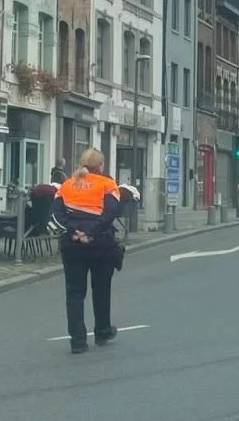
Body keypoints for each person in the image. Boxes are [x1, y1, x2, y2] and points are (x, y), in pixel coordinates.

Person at [54, 149, 133, 354]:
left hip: (71, 245)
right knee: (101, 289)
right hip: (100, 245)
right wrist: (91, 233)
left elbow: (56, 215)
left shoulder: (66, 185)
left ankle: (78, 341)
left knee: (74, 293)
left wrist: (74, 232)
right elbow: (110, 213)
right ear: (100, 166)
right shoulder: (107, 184)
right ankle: (102, 331)